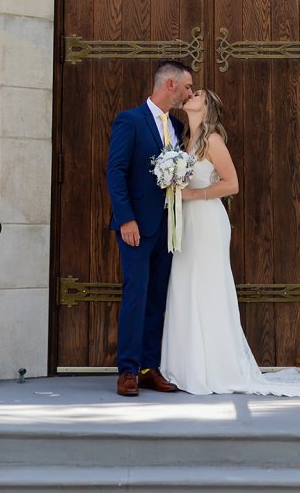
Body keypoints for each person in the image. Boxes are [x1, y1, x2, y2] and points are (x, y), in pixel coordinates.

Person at [161, 89, 300, 398]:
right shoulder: (184, 142)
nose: (190, 95)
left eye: (197, 94)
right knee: (184, 286)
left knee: (208, 288)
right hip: (187, 223)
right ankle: (186, 367)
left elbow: (232, 184)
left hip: (207, 221)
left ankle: (216, 368)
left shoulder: (212, 141)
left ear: (206, 107)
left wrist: (192, 194)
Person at [106, 60, 194, 397]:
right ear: (170, 84)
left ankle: (147, 368)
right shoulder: (130, 120)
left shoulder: (176, 126)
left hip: (167, 226)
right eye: (187, 86)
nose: (189, 93)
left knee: (157, 297)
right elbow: (116, 171)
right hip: (136, 227)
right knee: (136, 295)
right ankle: (128, 370)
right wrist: (126, 218)